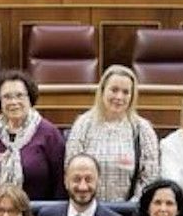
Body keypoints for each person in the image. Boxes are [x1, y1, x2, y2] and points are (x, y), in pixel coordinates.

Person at [64, 64, 159, 202]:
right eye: (114, 90)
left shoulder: (142, 129)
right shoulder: (83, 125)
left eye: (126, 92)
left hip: (130, 211)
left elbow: (150, 177)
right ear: (102, 90)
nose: (119, 97)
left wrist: (132, 205)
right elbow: (71, 170)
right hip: (89, 209)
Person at [0, 69, 66, 199]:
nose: (14, 102)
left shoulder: (49, 133)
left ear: (30, 97)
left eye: (20, 95)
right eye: (7, 97)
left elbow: (60, 182)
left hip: (38, 212)